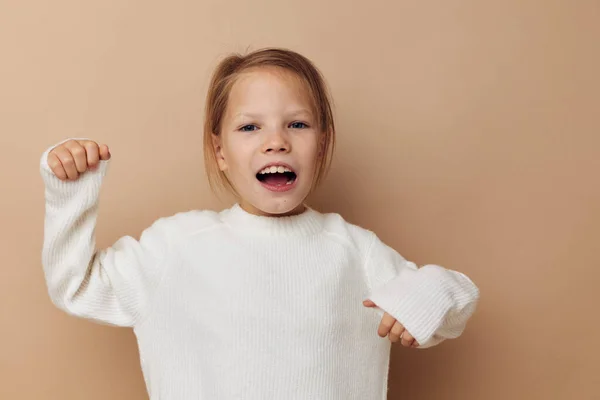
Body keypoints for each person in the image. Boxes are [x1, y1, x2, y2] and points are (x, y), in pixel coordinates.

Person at [39, 47, 480, 399]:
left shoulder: (355, 250)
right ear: (220, 152)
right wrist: (70, 192)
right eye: (250, 128)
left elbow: (453, 308)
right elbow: (75, 286)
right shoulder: (175, 246)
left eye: (297, 124)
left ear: (321, 146)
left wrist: (432, 292)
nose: (276, 142)